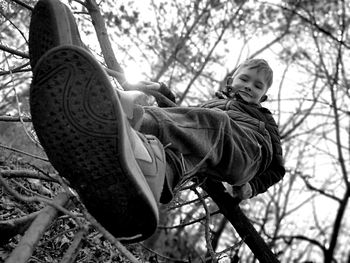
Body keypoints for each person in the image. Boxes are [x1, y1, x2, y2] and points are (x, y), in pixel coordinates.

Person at [29, 0, 285, 242]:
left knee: (213, 122)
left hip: (246, 153)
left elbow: (277, 168)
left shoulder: (262, 118)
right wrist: (162, 91)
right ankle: (148, 172)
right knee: (181, 152)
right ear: (232, 80)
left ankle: (119, 111)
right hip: (213, 153)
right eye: (245, 79)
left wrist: (252, 187)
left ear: (264, 96)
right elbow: (184, 120)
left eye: (258, 86)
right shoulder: (211, 106)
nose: (249, 87)